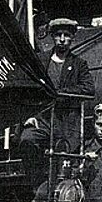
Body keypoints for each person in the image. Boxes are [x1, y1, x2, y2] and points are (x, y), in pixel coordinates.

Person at [39, 17, 96, 153]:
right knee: (28, 140)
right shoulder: (41, 61)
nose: (62, 39)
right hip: (43, 118)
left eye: (67, 35)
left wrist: (61, 93)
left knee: (65, 155)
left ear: (72, 38)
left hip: (67, 120)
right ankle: (36, 173)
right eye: (59, 35)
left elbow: (89, 88)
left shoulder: (79, 64)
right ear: (53, 37)